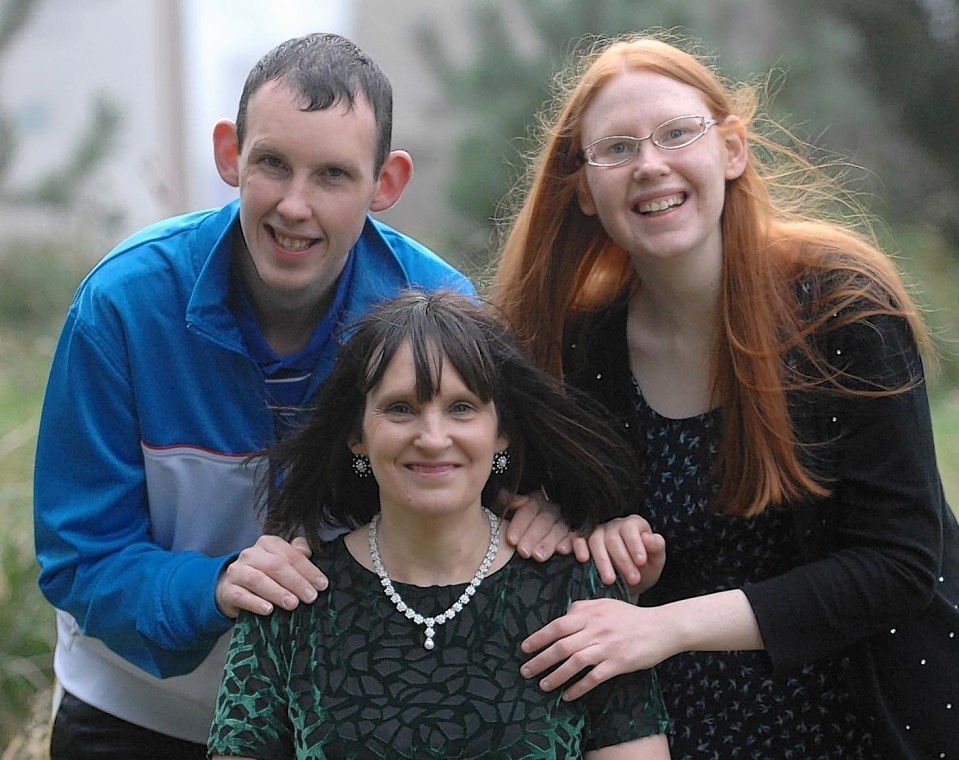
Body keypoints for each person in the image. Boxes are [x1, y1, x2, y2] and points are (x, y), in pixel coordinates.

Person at [32, 32, 517, 760]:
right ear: (230, 153)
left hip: (332, 714)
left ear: (385, 183)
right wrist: (214, 585)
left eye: (332, 175)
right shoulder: (122, 307)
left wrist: (540, 510)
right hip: (136, 710)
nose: (295, 205)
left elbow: (491, 488)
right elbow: (78, 556)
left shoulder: (437, 310)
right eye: (272, 164)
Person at [492, 31, 959, 760]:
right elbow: (474, 470)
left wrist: (666, 624)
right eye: (615, 149)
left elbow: (897, 566)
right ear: (582, 190)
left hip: (867, 717)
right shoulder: (579, 347)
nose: (649, 165)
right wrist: (557, 509)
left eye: (676, 134)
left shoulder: (842, 312)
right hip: (677, 729)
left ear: (731, 151)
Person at [207, 289, 672, 759]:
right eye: (401, 408)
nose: (432, 438)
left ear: (502, 432)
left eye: (461, 407)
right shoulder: (287, 604)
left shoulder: (580, 594)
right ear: (356, 436)